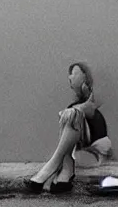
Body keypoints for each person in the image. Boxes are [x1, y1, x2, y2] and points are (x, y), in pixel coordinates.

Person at [24, 62, 111, 193]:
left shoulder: (93, 97)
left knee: (72, 114)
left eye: (75, 73)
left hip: (97, 150)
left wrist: (69, 112)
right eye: (69, 75)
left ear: (85, 76)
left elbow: (89, 107)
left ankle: (52, 166)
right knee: (70, 115)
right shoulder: (76, 104)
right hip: (79, 150)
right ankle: (66, 172)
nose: (70, 77)